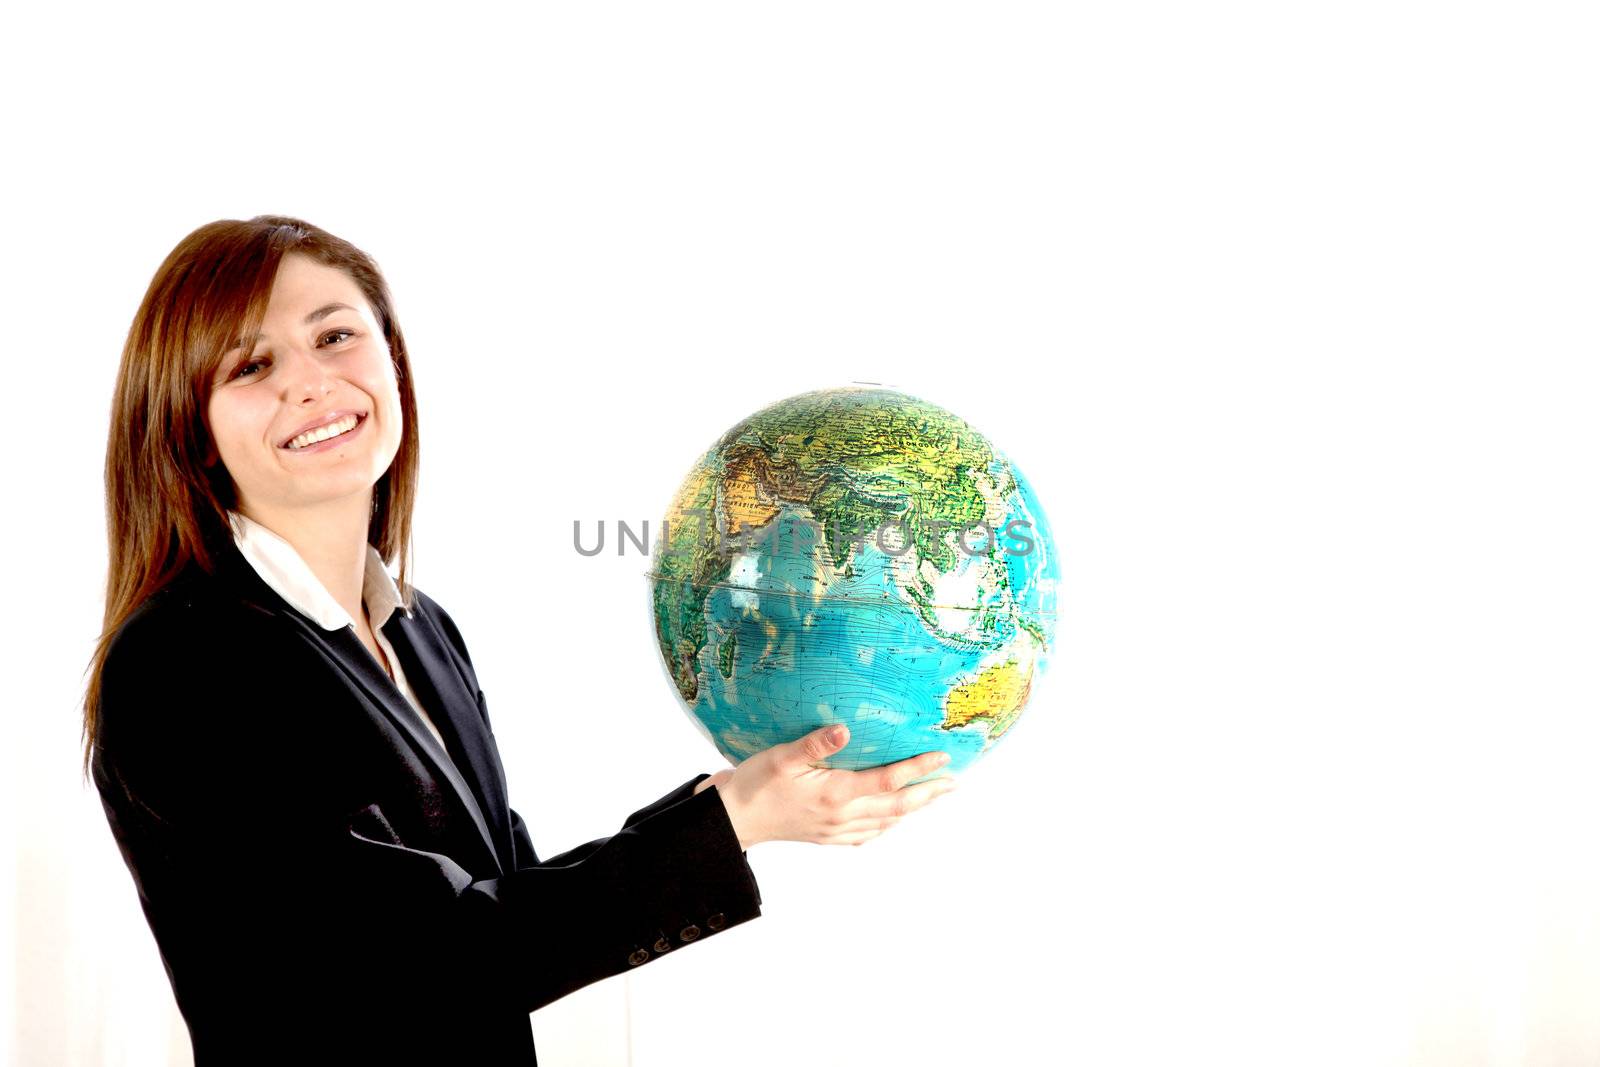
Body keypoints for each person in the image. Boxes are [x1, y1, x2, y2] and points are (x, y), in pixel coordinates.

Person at [80, 215, 958, 1065]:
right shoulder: (183, 662)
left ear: (393, 360)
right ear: (190, 429)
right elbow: (426, 963)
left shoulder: (420, 631)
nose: (310, 382)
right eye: (252, 363)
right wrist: (732, 825)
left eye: (336, 336)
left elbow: (503, 897)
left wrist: (732, 804)